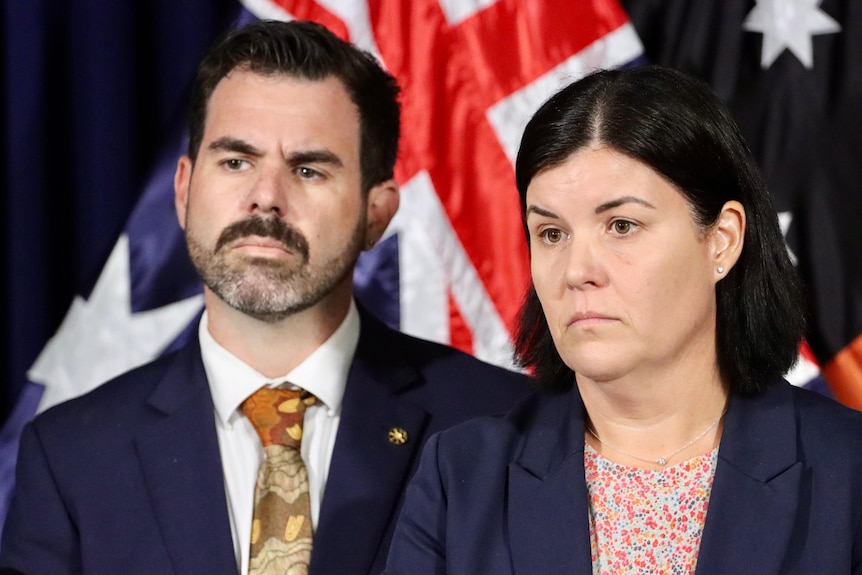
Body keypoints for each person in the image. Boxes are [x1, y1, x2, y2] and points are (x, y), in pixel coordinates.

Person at [0, 19, 530, 575]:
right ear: (183, 191)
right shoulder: (72, 458)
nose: (265, 199)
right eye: (235, 162)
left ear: (377, 214)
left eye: (308, 169)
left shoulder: (506, 426)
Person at [384, 65, 862, 574]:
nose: (577, 271)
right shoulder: (460, 478)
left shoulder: (849, 472)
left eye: (622, 225)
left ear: (722, 240)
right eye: (551, 233)